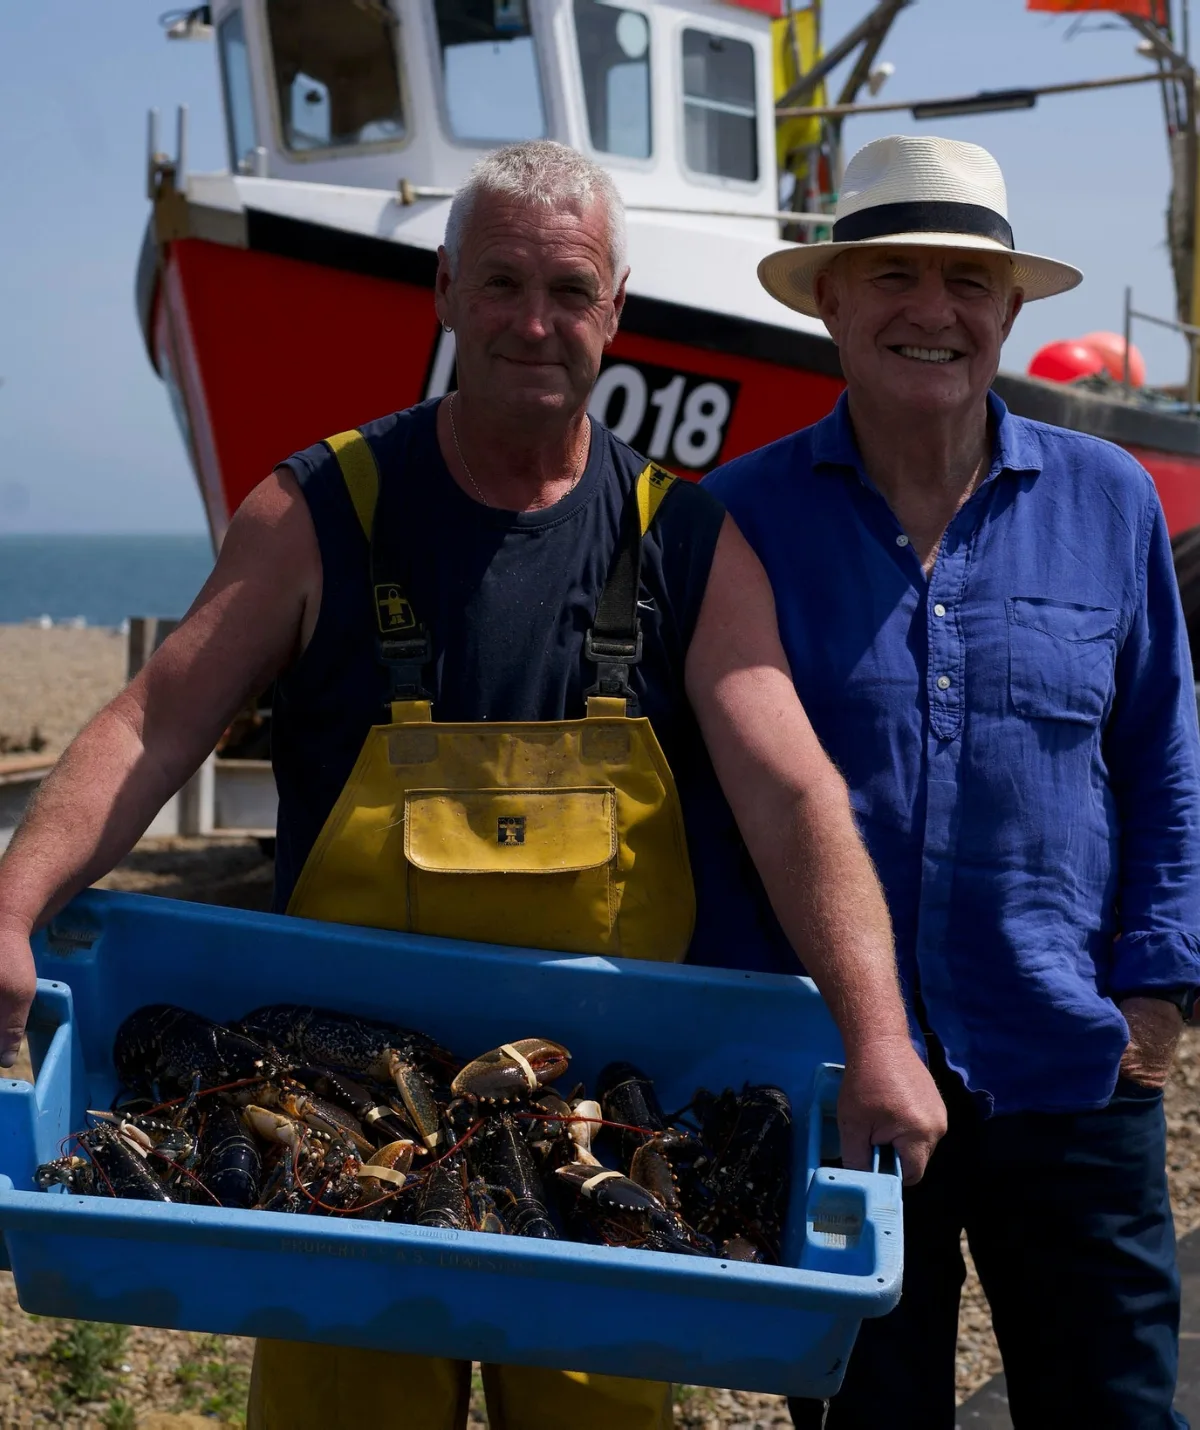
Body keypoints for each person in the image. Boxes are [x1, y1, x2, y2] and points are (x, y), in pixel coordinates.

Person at [0, 141, 944, 1430]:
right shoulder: (320, 509)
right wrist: (12, 911)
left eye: (569, 291)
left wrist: (878, 1037)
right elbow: (157, 721)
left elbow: (790, 793)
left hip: (594, 1128)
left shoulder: (683, 538)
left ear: (616, 313)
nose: (534, 323)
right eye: (500, 284)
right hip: (330, 1128)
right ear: (442, 293)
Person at [706, 133, 1200, 1429]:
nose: (934, 310)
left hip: (1074, 1068)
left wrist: (1155, 997)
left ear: (1015, 310)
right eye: (894, 275)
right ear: (831, 299)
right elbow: (708, 797)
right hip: (837, 1086)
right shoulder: (736, 518)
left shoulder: (1113, 502)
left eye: (969, 282)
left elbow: (1162, 751)